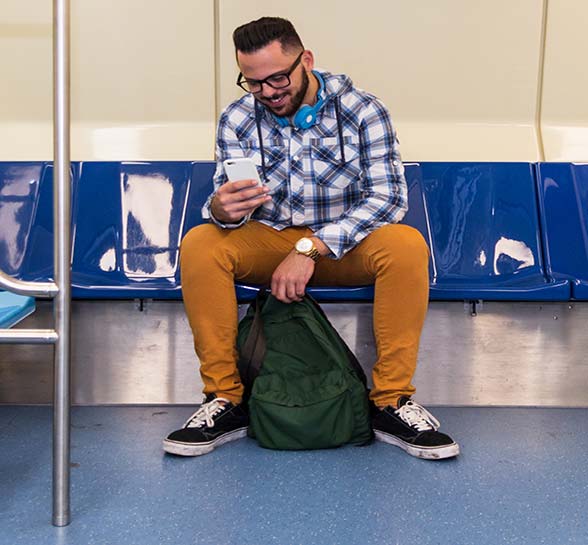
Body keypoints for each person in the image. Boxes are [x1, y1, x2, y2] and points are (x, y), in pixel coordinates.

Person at [163, 16, 459, 460]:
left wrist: (310, 247)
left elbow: (390, 199)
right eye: (255, 82)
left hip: (342, 246)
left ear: (307, 61)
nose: (269, 92)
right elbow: (226, 209)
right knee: (202, 243)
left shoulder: (363, 110)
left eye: (278, 77)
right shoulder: (238, 119)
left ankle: (391, 402)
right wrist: (221, 210)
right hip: (270, 240)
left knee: (406, 245)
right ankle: (225, 400)